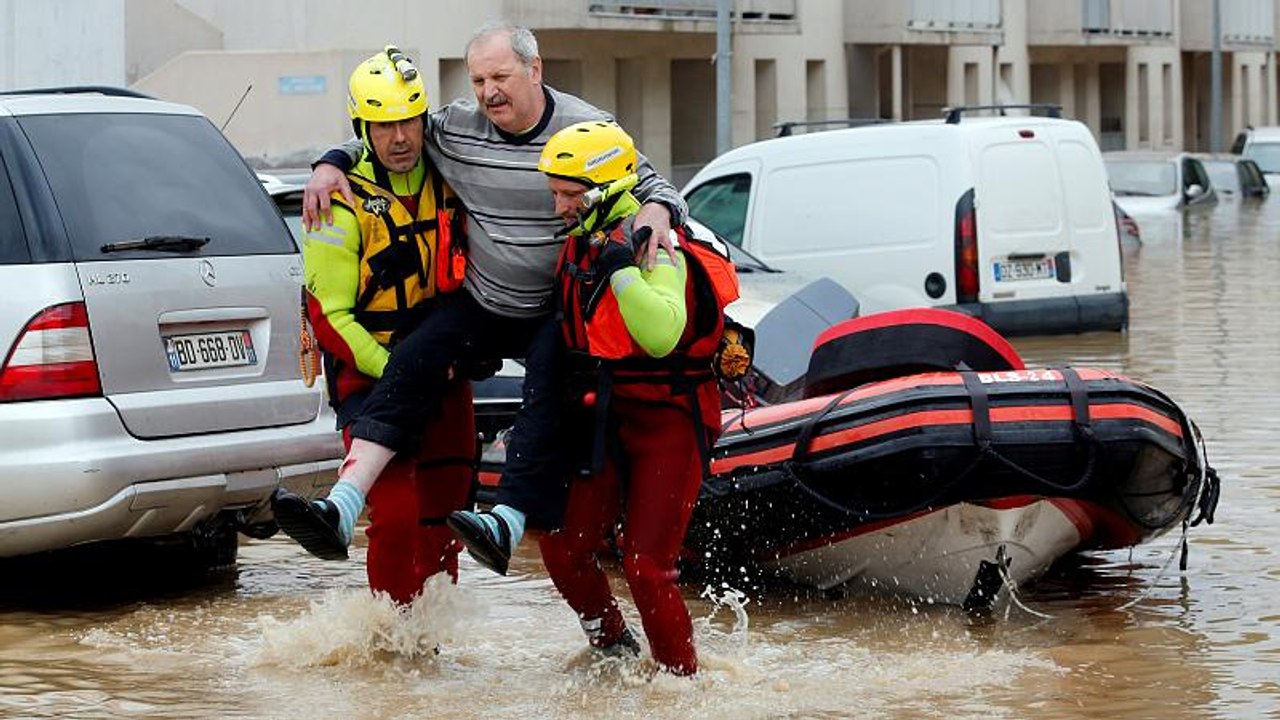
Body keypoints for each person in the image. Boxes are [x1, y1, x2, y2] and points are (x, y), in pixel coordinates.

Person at [293, 21, 688, 573]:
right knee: (415, 357)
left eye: (500, 76)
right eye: (478, 80)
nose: (488, 92)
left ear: (535, 69)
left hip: (551, 307)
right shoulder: (455, 128)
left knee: (544, 390)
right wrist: (329, 162)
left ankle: (508, 520)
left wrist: (659, 209)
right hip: (483, 301)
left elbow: (651, 183)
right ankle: (343, 503)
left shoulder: (589, 126)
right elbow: (386, 134)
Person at [270, 47, 475, 606]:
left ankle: (432, 648)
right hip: (372, 370)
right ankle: (390, 645)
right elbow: (330, 318)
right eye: (385, 125)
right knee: (398, 518)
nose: (401, 136)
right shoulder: (336, 200)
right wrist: (399, 372)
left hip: (446, 367)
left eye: (409, 120)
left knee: (447, 517)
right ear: (363, 126)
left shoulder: (449, 171)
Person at [534, 121, 740, 676]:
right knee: (559, 541)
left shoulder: (654, 243)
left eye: (568, 195)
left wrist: (623, 272)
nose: (558, 207)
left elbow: (660, 333)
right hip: (606, 414)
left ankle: (681, 688)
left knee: (648, 565)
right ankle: (612, 647)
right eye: (554, 193)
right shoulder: (586, 239)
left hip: (670, 417)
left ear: (601, 190)